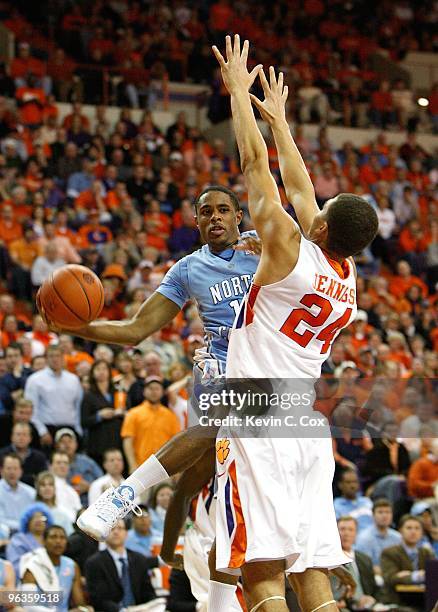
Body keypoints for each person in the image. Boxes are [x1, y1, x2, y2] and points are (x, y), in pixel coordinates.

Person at [208, 35, 377, 612]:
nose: (316, 206)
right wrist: (280, 119)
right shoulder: (345, 275)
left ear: (322, 228)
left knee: (262, 574)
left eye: (323, 213)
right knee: (314, 578)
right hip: (306, 427)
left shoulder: (285, 248)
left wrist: (236, 91)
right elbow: (303, 190)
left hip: (258, 417)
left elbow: (255, 168)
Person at [84, 519, 165, 612]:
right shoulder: (94, 563)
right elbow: (99, 600)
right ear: (104, 535)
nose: (116, 532)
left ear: (126, 533)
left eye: (120, 528)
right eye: (112, 529)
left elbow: (148, 592)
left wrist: (154, 605)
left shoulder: (138, 559)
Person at [21, 525, 92, 612]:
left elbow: (79, 603)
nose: (58, 541)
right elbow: (28, 606)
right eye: (53, 537)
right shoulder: (32, 566)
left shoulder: (72, 565)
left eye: (62, 538)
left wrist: (84, 609)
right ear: (44, 541)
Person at [24, 345, 83, 447]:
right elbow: (31, 409)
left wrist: (78, 429)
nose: (55, 359)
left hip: (69, 428)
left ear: (63, 358)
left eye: (58, 356)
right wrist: (42, 431)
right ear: (46, 359)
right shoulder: (35, 380)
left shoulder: (73, 379)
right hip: (46, 428)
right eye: (51, 356)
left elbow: (78, 407)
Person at [121, 377, 180, 473]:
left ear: (162, 392)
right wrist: (132, 465)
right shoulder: (133, 414)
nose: (154, 392)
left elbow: (176, 444)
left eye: (157, 389)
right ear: (144, 392)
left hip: (164, 469)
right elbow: (128, 441)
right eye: (150, 388)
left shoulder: (170, 416)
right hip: (140, 468)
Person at [331, 516, 384, 611]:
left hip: (367, 607)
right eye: (342, 529)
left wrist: (372, 599)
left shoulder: (365, 559)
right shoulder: (329, 560)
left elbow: (373, 588)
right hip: (342, 606)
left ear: (356, 534)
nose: (346, 533)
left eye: (350, 530)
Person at [381, 515, 435, 607]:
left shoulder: (427, 553)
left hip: (425, 600)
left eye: (417, 528)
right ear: (400, 531)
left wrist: (407, 575)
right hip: (399, 601)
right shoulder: (389, 552)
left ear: (422, 532)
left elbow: (434, 575)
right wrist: (418, 576)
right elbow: (391, 578)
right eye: (409, 528)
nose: (413, 532)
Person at [81, 360, 124, 465]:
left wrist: (124, 413)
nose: (101, 372)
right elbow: (84, 421)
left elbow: (128, 411)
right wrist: (99, 416)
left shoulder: (118, 392)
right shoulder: (88, 395)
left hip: (117, 440)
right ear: (93, 373)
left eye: (104, 369)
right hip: (98, 443)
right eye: (98, 369)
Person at [54, 427, 103, 504]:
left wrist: (90, 487)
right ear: (56, 445)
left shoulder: (87, 462)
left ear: (76, 444)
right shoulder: (52, 463)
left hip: (90, 504)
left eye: (70, 441)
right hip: (64, 503)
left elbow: (102, 481)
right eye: (63, 442)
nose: (67, 445)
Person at [355, 499, 402, 574]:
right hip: (374, 580)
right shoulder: (364, 538)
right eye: (380, 512)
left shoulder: (398, 537)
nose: (384, 515)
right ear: (373, 515)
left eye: (387, 512)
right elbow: (365, 567)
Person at [6, 503, 53, 575]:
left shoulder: (51, 539)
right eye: (33, 517)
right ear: (27, 521)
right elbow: (15, 565)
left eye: (42, 518)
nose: (38, 520)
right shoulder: (18, 540)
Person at [0, 453, 35, 531]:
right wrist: (23, 526)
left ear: (21, 471)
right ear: (1, 471)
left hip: (28, 533)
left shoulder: (31, 492)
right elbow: (1, 520)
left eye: (15, 468)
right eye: (9, 468)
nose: (12, 472)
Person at [334, 469, 374, 534]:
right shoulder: (335, 506)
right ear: (340, 485)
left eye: (355, 482)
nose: (352, 486)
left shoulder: (367, 501)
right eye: (348, 482)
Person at [35, 471, 74, 535]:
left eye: (50, 485)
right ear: (38, 489)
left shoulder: (63, 514)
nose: (47, 488)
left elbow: (70, 536)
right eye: (43, 485)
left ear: (54, 489)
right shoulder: (31, 513)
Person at [49, 451, 82, 523]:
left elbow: (79, 511)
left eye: (65, 463)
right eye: (58, 463)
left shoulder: (72, 491)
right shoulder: (47, 487)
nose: (62, 466)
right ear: (50, 466)